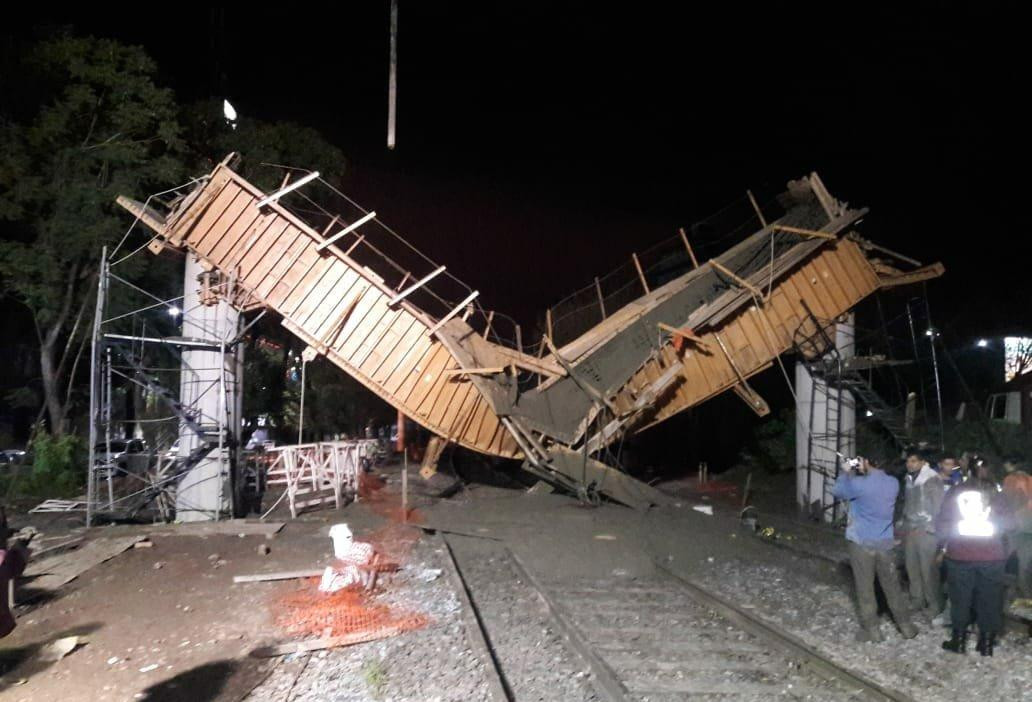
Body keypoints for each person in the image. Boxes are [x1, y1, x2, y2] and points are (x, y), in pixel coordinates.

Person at [833, 455, 918, 642]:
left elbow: (838, 490)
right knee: (892, 586)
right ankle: (906, 626)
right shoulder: (893, 483)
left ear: (866, 463)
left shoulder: (859, 485)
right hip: (884, 543)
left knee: (865, 588)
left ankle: (873, 631)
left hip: (861, 542)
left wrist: (846, 471)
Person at [936, 471, 1014, 656]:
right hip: (992, 556)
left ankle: (959, 641)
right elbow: (1011, 523)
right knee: (990, 599)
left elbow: (942, 523)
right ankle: (986, 644)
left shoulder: (955, 493)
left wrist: (947, 542)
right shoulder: (996, 494)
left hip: (960, 556)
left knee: (960, 599)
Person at [902, 449, 946, 620]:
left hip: (927, 530)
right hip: (911, 528)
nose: (909, 464)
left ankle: (934, 605)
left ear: (922, 462)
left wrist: (933, 527)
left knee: (928, 570)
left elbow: (939, 506)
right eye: (908, 461)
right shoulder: (910, 478)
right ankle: (917, 600)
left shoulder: (932, 479)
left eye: (913, 461)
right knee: (912, 566)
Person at [1001, 465, 1032, 599]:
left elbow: (1006, 502)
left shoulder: (1009, 480)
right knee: (1024, 566)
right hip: (1026, 529)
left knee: (1001, 561)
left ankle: (1016, 594)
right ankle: (1025, 597)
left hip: (1015, 528)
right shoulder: (1028, 480)